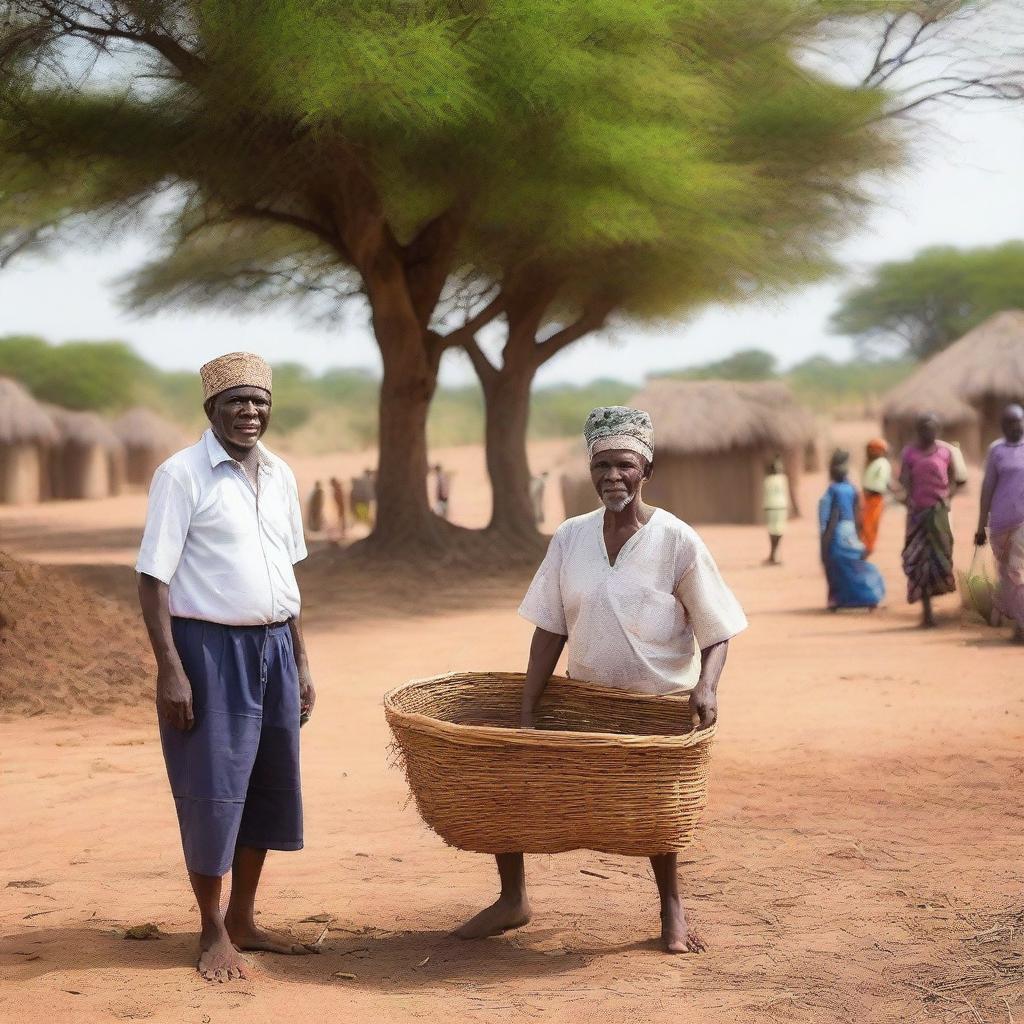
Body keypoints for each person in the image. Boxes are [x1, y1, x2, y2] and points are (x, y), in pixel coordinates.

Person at [453, 406, 747, 955]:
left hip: (654, 703)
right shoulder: (570, 537)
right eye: (602, 466)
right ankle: (512, 899)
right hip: (584, 700)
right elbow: (550, 628)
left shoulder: (676, 540)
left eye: (624, 466)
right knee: (514, 782)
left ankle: (671, 907)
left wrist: (706, 687)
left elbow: (716, 628)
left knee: (655, 810)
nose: (613, 477)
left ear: (646, 471)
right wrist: (528, 705)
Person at [136, 352, 317, 983]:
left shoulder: (282, 475)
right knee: (214, 789)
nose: (250, 412)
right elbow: (153, 578)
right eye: (236, 401)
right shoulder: (181, 475)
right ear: (211, 408)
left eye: (260, 401)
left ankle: (243, 918)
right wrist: (171, 668)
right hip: (207, 651)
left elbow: (284, 575)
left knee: (268, 784)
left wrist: (301, 658)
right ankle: (211, 929)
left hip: (274, 649)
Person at [899, 413, 960, 627]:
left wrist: (946, 497)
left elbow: (955, 479)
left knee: (939, 559)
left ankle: (932, 609)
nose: (928, 432)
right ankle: (927, 612)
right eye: (924, 428)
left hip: (939, 514)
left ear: (938, 430)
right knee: (918, 561)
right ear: (918, 430)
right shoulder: (909, 453)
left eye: (932, 428)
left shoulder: (945, 452)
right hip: (917, 515)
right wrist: (908, 498)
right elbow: (904, 480)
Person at [975, 403, 1024, 641]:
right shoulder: (996, 451)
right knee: (1006, 574)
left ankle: (1022, 626)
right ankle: (1011, 618)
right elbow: (987, 489)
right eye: (1010, 423)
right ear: (1003, 426)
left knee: (1018, 572)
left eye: (1019, 421)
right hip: (1001, 523)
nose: (1016, 427)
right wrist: (980, 524)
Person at [818, 450, 886, 611]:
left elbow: (833, 517)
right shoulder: (853, 489)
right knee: (854, 566)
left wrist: (824, 544)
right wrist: (859, 537)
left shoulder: (834, 490)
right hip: (851, 534)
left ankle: (839, 600)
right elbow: (858, 516)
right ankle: (868, 597)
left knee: (837, 567)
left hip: (838, 534)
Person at [860, 439, 892, 556]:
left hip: (876, 497)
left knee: (871, 523)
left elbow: (885, 482)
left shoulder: (882, 463)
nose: (873, 451)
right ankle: (865, 545)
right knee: (865, 523)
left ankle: (868, 547)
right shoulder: (871, 463)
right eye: (871, 449)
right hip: (866, 497)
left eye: (876, 449)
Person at [762, 456, 789, 565]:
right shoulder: (783, 479)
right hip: (781, 506)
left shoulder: (767, 480)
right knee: (779, 530)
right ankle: (775, 553)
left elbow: (766, 494)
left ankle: (773, 553)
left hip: (771, 506)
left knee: (772, 530)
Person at [330, 476, 348, 540]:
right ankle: (342, 532)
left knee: (341, 519)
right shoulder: (337, 488)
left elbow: (340, 498)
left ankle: (342, 532)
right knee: (341, 519)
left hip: (341, 506)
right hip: (340, 506)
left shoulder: (337, 489)